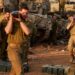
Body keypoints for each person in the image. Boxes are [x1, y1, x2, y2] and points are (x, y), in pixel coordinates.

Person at [2, 3, 31, 75]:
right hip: (13, 49)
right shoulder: (11, 21)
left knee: (14, 72)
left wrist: (20, 21)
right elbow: (7, 31)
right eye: (23, 12)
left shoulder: (28, 22)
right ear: (19, 12)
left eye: (26, 13)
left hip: (22, 49)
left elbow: (27, 32)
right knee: (20, 71)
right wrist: (11, 19)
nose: (25, 14)